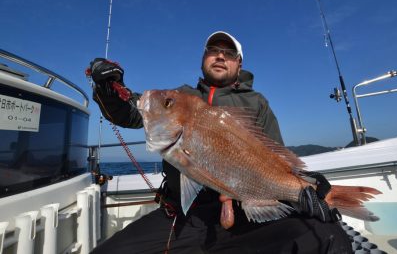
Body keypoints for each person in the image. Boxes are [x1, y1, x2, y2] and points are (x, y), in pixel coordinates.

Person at [89, 31, 352, 254]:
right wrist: (109, 87)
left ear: (239, 64)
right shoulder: (182, 96)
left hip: (244, 216)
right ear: (203, 58)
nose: (220, 56)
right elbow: (129, 111)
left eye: (229, 53)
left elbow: (277, 160)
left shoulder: (256, 103)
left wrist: (307, 187)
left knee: (329, 236)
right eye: (213, 50)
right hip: (184, 217)